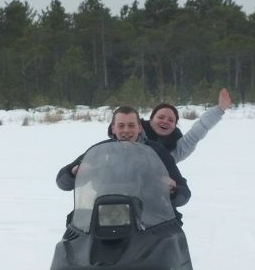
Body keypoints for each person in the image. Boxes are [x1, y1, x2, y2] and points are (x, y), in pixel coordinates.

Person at [57, 106, 190, 210]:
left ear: (139, 127)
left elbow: (184, 192)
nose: (126, 130)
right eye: (121, 125)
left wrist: (173, 190)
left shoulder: (157, 151)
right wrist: (73, 173)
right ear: (113, 128)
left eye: (131, 125)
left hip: (151, 216)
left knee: (173, 238)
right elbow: (62, 182)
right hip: (104, 213)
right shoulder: (99, 151)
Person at [108, 88, 232, 163]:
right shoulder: (131, 134)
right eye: (160, 117)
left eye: (171, 120)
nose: (165, 121)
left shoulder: (176, 149)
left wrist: (219, 109)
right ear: (150, 120)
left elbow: (199, 128)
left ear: (175, 125)